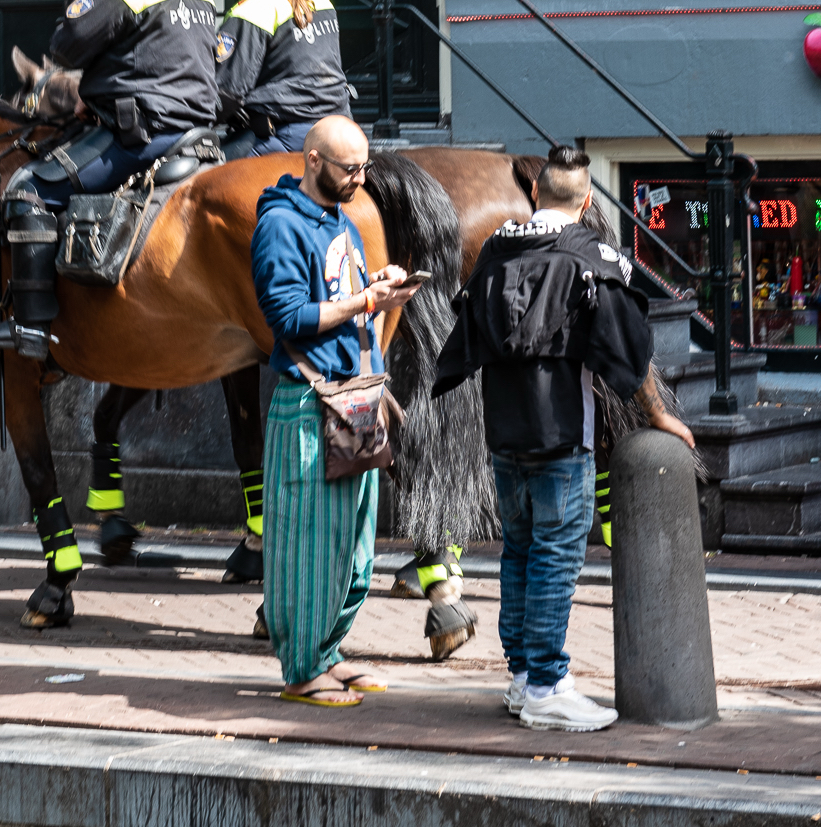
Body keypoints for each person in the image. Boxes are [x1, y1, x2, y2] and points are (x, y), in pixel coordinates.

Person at [435, 145, 694, 732]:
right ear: (584, 201)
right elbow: (628, 348)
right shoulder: (593, 258)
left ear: (536, 194)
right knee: (555, 554)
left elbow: (466, 328)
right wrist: (658, 415)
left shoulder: (495, 252)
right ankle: (549, 687)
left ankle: (524, 677)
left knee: (520, 551)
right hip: (560, 435)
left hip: (503, 431)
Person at [0, 0, 219, 359]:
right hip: (201, 132)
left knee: (27, 188)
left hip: (141, 134)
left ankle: (31, 328)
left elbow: (65, 47)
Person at [251, 115, 418, 706]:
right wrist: (365, 299)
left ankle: (327, 651)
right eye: (351, 168)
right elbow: (290, 317)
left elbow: (338, 298)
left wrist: (378, 289)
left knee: (354, 549)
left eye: (365, 167)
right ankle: (300, 671)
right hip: (310, 402)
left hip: (355, 398)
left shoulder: (340, 218)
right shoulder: (280, 224)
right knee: (306, 547)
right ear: (314, 161)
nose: (361, 178)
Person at [215, 0, 352, 156]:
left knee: (202, 181)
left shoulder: (251, 10)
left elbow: (226, 93)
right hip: (341, 127)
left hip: (286, 134)